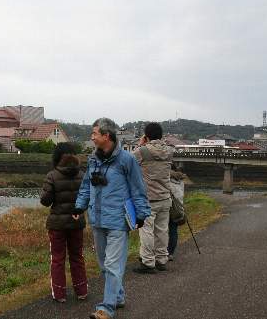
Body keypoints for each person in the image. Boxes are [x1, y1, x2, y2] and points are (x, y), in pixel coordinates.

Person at [73, 118, 150, 319]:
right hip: (97, 219)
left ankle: (106, 308)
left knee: (113, 265)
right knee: (104, 265)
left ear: (106, 136)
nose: (91, 137)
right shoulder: (93, 159)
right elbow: (85, 186)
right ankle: (118, 296)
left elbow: (138, 188)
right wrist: (80, 206)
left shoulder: (127, 160)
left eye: (94, 134)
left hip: (117, 220)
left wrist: (141, 214)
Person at [40, 142, 88, 303]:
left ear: (57, 157)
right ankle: (81, 291)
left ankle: (59, 294)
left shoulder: (52, 175)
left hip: (57, 225)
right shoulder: (82, 175)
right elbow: (87, 199)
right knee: (77, 256)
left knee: (58, 258)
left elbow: (45, 201)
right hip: (77, 223)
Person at [132, 122, 173, 273]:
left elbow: (129, 162)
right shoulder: (169, 151)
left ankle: (148, 262)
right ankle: (161, 260)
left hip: (148, 198)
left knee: (146, 231)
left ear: (146, 135)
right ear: (161, 135)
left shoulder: (143, 151)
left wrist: (140, 144)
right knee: (162, 230)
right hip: (165, 197)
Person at [168, 166, 186, 260]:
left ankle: (161, 252)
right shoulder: (181, 181)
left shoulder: (167, 181)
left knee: (161, 231)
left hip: (168, 208)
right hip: (178, 209)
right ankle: (170, 253)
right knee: (173, 231)